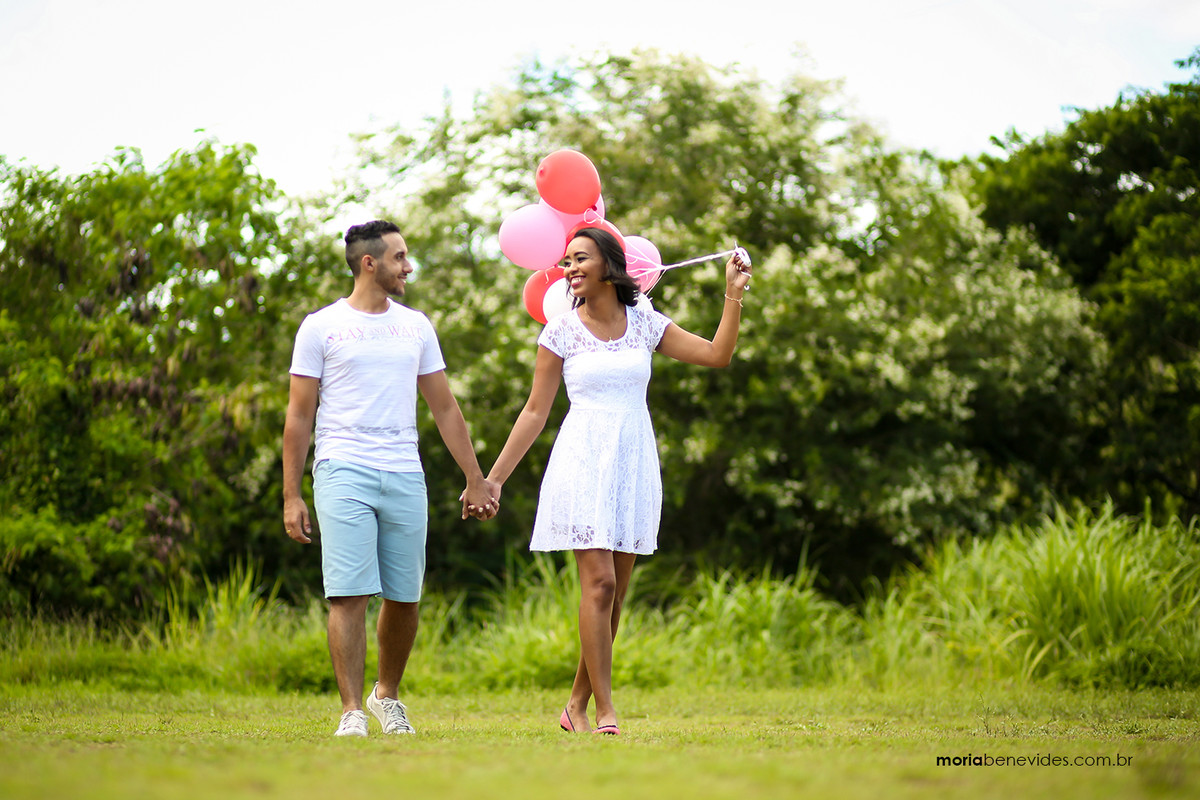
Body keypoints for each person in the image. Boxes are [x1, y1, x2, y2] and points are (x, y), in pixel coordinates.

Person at [476, 227, 751, 736]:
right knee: (599, 584)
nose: (569, 269)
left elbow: (717, 354)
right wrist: (493, 480)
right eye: (566, 261)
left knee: (616, 594)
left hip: (632, 460)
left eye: (580, 258)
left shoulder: (644, 322)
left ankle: (575, 705)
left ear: (609, 263)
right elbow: (534, 412)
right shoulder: (560, 331)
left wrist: (732, 294)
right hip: (582, 460)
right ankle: (606, 711)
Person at [283, 220, 499, 738]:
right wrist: (291, 494)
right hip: (342, 467)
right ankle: (351, 711)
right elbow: (298, 415)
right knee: (349, 593)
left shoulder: (416, 327)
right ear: (369, 263)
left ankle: (386, 696)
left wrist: (475, 477)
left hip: (404, 469)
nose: (408, 266)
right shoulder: (321, 327)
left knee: (405, 596)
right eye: (400, 257)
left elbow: (444, 407)